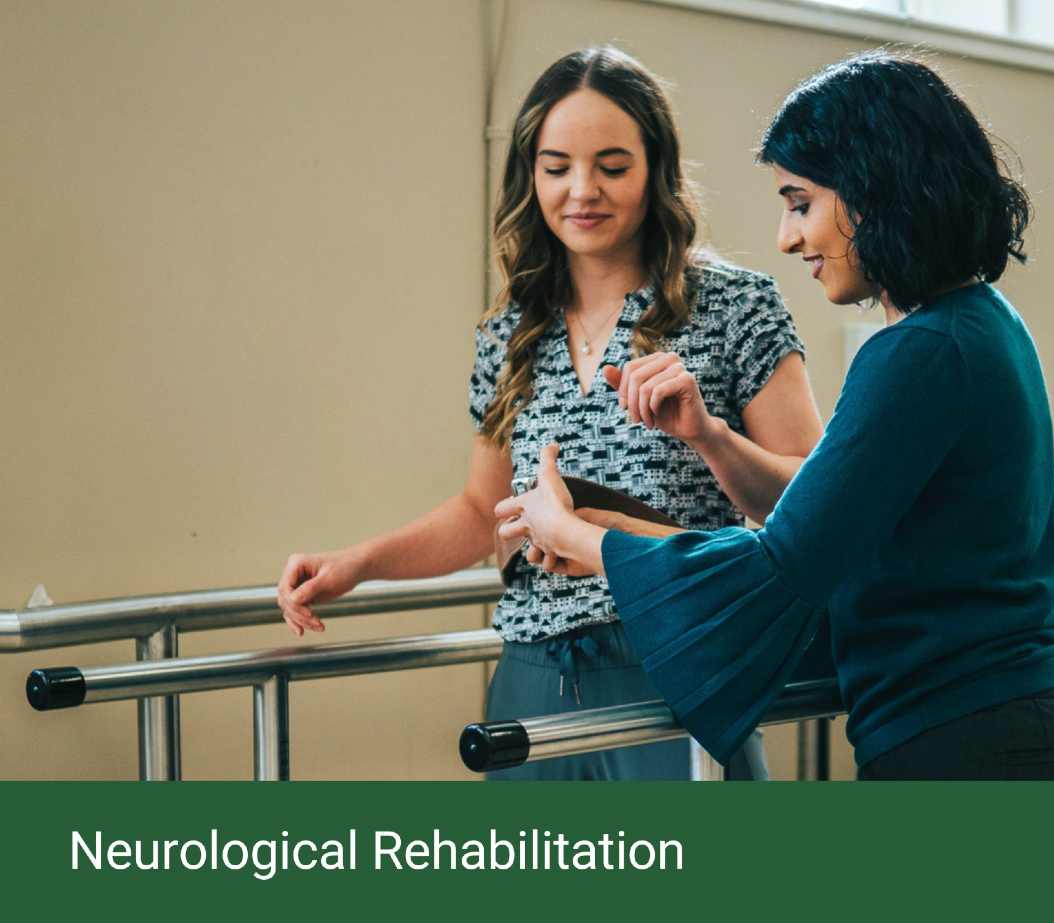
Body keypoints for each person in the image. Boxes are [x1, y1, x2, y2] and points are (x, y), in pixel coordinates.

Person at [496, 51, 1054, 780]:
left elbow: (778, 570)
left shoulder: (920, 352)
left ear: (874, 192)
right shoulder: (977, 324)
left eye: (800, 202)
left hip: (972, 737)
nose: (790, 238)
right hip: (998, 723)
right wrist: (709, 436)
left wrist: (575, 533)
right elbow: (817, 520)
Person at [274, 47, 823, 780]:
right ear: (530, 175)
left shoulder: (734, 306)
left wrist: (711, 435)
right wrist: (358, 564)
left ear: (655, 169)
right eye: (556, 165)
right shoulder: (512, 328)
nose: (581, 190)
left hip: (675, 662)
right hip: (531, 680)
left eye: (612, 166)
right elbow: (481, 509)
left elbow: (810, 500)